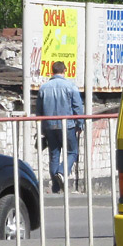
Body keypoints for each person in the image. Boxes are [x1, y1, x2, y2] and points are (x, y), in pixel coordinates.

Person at [37, 60, 84, 194]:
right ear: (65, 71)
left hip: (49, 126)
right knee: (72, 152)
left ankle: (56, 188)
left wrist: (41, 129)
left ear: (52, 71)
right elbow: (78, 107)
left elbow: (39, 110)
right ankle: (62, 172)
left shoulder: (43, 88)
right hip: (67, 125)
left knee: (54, 155)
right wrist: (80, 124)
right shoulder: (71, 86)